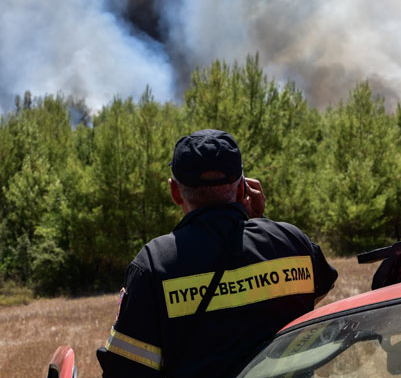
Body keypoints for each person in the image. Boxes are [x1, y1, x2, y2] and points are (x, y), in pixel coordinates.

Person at [96, 129, 338, 377]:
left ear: (175, 192)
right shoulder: (291, 242)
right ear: (243, 188)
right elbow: (315, 293)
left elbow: (125, 369)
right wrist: (262, 222)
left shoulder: (153, 264)